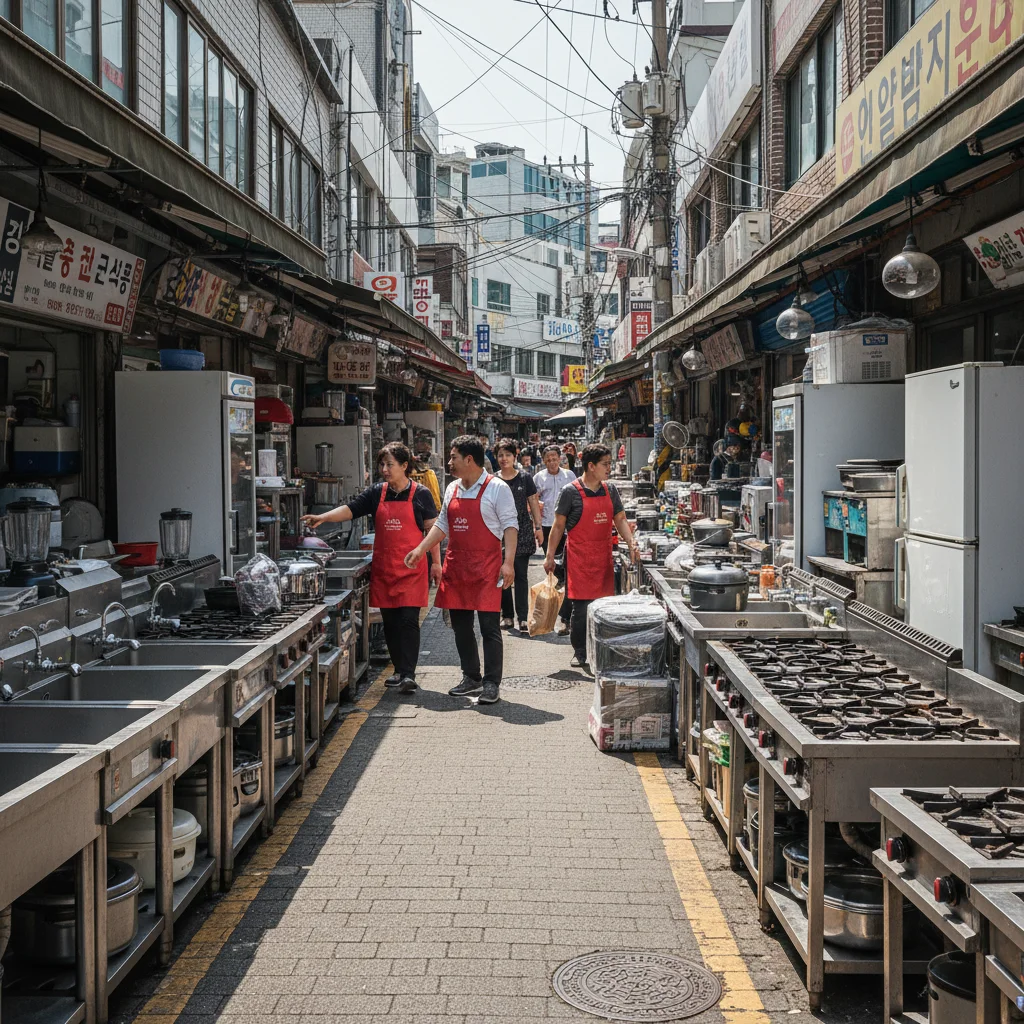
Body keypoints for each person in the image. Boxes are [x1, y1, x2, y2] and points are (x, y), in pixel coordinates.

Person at [301, 442, 439, 693]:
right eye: (382, 465)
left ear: (405, 466)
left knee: (408, 621)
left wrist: (437, 563)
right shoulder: (377, 493)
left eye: (390, 465)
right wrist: (323, 517)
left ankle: (408, 673)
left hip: (412, 569)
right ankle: (399, 670)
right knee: (390, 623)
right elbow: (351, 510)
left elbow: (433, 531)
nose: (384, 469)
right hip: (386, 569)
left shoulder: (421, 494)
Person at [405, 435, 518, 704]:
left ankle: (492, 683)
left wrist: (509, 562)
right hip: (457, 567)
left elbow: (511, 526)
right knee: (461, 627)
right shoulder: (452, 488)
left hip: (488, 568)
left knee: (490, 628)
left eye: (453, 457)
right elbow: (442, 524)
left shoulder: (497, 488)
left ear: (469, 459)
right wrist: (421, 549)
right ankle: (471, 677)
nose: (450, 462)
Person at [544, 443, 639, 672]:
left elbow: (620, 519)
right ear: (591, 466)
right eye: (606, 464)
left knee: (604, 607)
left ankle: (602, 650)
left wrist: (631, 542)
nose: (609, 468)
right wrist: (549, 557)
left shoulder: (610, 490)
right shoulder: (570, 492)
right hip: (579, 558)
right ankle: (580, 652)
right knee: (582, 608)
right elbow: (558, 527)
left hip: (603, 558)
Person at [494, 438, 543, 632]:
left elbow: (533, 502)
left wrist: (538, 527)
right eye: (500, 455)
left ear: (515, 457)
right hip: (498, 533)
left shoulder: (525, 478)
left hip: (522, 530)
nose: (504, 459)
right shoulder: (493, 479)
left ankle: (523, 617)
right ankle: (507, 616)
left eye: (508, 455)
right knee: (502, 573)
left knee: (521, 574)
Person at [534, 445, 576, 635]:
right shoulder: (539, 478)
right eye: (548, 459)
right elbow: (533, 502)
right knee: (553, 567)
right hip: (548, 528)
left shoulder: (570, 476)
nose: (551, 462)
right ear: (544, 461)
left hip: (567, 528)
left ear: (560, 459)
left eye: (554, 458)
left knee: (568, 571)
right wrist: (536, 525)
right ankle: (558, 608)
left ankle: (566, 618)